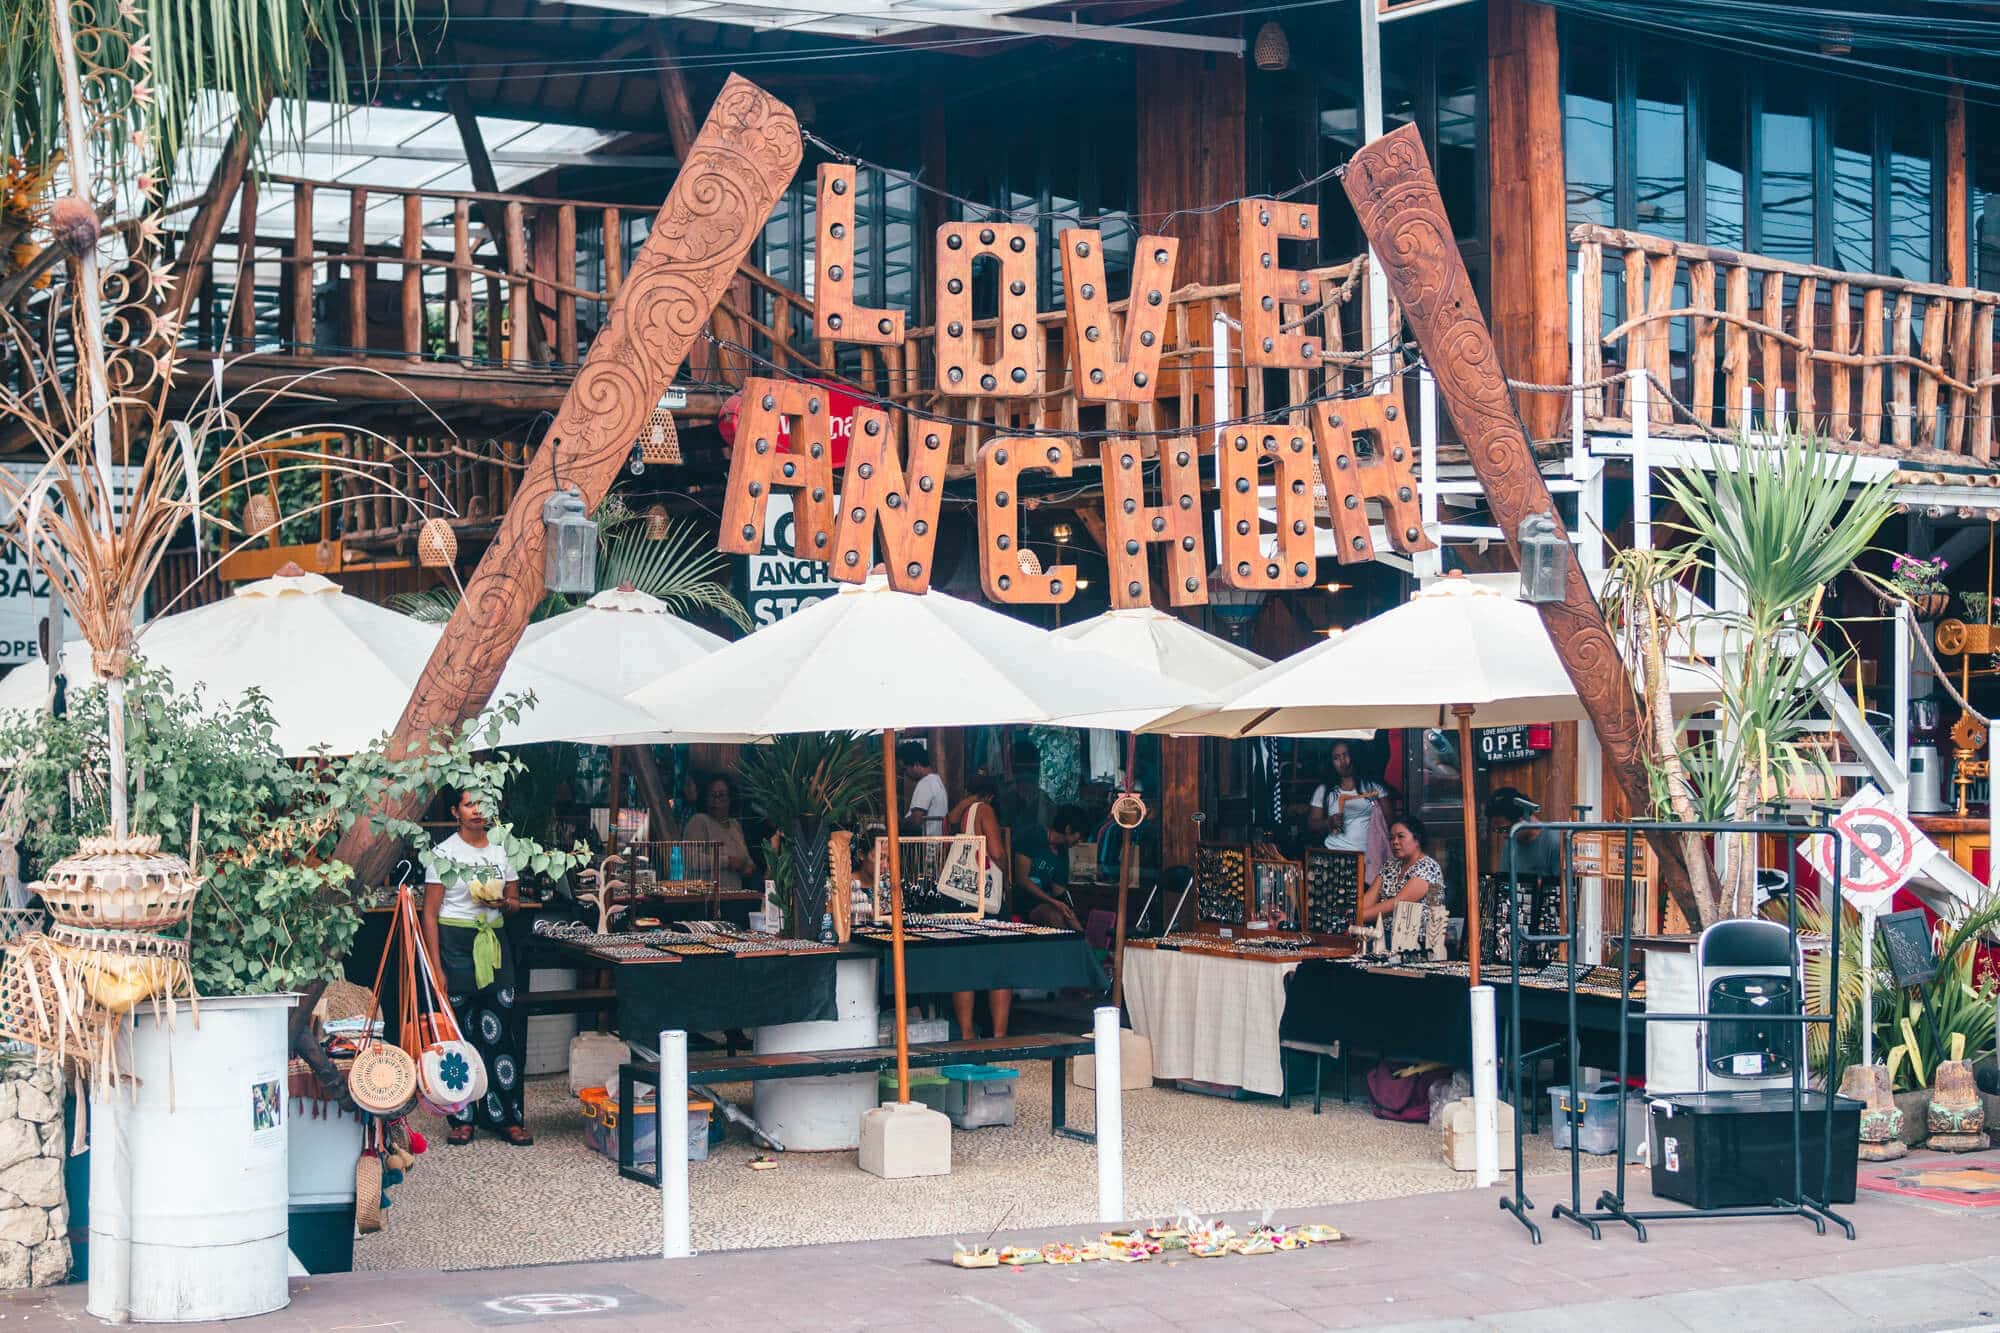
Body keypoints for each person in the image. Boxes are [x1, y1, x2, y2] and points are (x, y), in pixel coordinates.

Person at [422, 787, 532, 1146]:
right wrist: (436, 965)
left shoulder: (503, 848)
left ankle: (506, 1117)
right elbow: (430, 912)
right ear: (456, 811)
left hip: (494, 947)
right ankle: (462, 1117)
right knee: (458, 1036)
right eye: (469, 804)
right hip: (454, 948)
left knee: (501, 1034)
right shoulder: (443, 853)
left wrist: (507, 904)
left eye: (482, 805)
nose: (476, 811)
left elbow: (516, 899)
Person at [946, 773, 1012, 1039]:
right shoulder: (984, 810)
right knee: (1000, 966)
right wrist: (1007, 874)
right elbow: (995, 852)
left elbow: (950, 820)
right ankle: (998, 1034)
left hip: (960, 896)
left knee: (964, 966)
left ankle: (966, 1033)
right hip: (984, 899)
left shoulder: (959, 815)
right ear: (991, 796)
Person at [1355, 814, 1445, 926]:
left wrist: (1356, 917)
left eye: (1400, 836)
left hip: (1416, 938)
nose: (1395, 842)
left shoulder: (1428, 867)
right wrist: (1354, 915)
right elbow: (1367, 901)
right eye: (1391, 838)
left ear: (1417, 840)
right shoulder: (1390, 865)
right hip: (1383, 934)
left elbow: (1397, 903)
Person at [1307, 740, 1390, 859]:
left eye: (1345, 755)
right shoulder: (1324, 790)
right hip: (1335, 853)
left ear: (1354, 756)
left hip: (1370, 855)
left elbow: (1389, 822)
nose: (1342, 761)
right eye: (1336, 758)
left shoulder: (1374, 788)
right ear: (1331, 762)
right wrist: (1328, 822)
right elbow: (1312, 824)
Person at [1011, 804, 1087, 931]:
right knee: (1054, 917)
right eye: (1079, 835)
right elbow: (1022, 879)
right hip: (1019, 899)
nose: (1080, 841)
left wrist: (1071, 917)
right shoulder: (1033, 836)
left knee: (1065, 917)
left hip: (1042, 902)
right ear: (1068, 829)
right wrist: (1053, 902)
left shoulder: (1062, 853)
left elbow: (1059, 891)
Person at [684, 774, 756, 892]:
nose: (716, 801)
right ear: (705, 798)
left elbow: (746, 859)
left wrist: (749, 867)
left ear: (731, 798)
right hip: (706, 898)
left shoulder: (735, 825)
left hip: (735, 896)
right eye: (712, 796)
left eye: (721, 795)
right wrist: (727, 861)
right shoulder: (699, 821)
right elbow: (690, 859)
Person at [1487, 786, 1561, 880]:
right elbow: (1504, 881)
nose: (1504, 836)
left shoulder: (1555, 841)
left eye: (1506, 829)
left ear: (1523, 817)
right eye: (1498, 831)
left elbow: (1565, 889)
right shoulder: (1510, 843)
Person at [899, 741, 948, 837]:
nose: (905, 774)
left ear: (916, 764)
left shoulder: (925, 783)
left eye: (905, 769)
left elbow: (917, 820)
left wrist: (900, 823)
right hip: (937, 843)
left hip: (927, 844)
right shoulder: (936, 780)